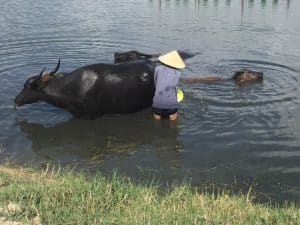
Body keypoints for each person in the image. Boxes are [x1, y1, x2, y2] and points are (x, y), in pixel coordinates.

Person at [152, 50, 185, 121]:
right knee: (173, 125)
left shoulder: (158, 69)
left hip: (157, 103)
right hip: (171, 104)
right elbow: (175, 86)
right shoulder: (178, 73)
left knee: (157, 123)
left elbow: (155, 82)